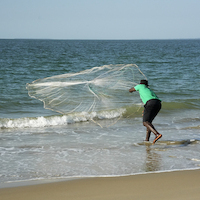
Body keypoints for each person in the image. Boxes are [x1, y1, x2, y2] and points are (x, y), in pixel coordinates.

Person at [129, 80, 162, 144]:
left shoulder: (140, 86)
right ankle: (147, 140)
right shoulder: (148, 89)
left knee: (145, 122)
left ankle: (157, 134)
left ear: (141, 83)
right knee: (149, 122)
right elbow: (151, 99)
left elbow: (131, 90)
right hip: (158, 103)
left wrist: (130, 90)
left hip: (150, 103)